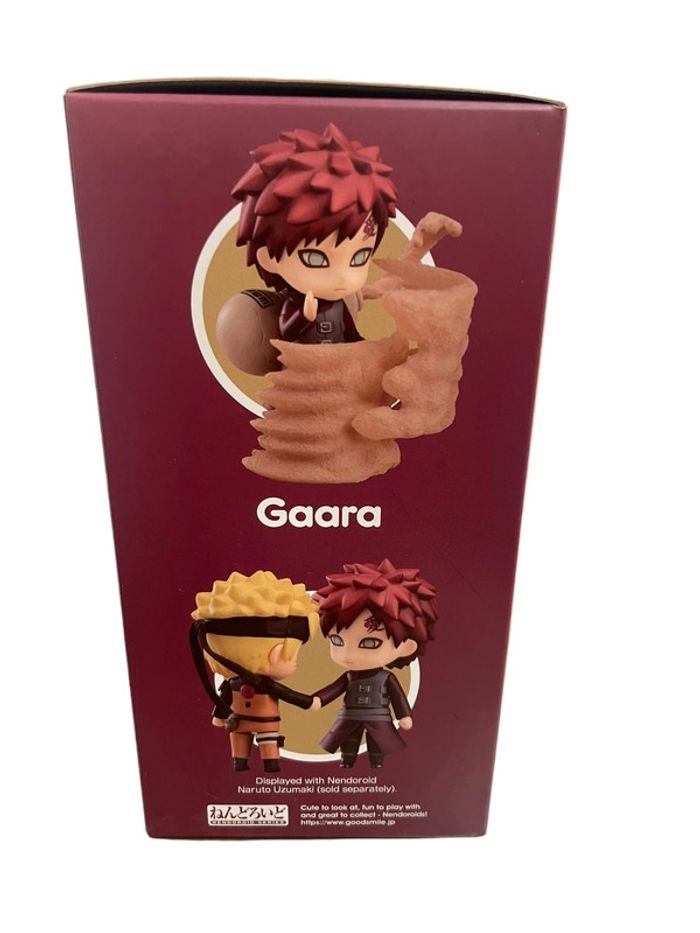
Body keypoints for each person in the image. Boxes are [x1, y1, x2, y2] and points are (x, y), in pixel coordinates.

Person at [311, 559, 437, 768]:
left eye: (369, 643)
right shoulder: (350, 676)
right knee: (348, 738)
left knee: (378, 740)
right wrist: (319, 699)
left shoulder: (385, 677)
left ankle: (376, 761)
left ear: (405, 647)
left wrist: (404, 715)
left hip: (378, 715)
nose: (347, 655)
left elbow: (397, 696)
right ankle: (347, 760)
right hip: (350, 714)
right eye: (337, 641)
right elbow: (335, 688)